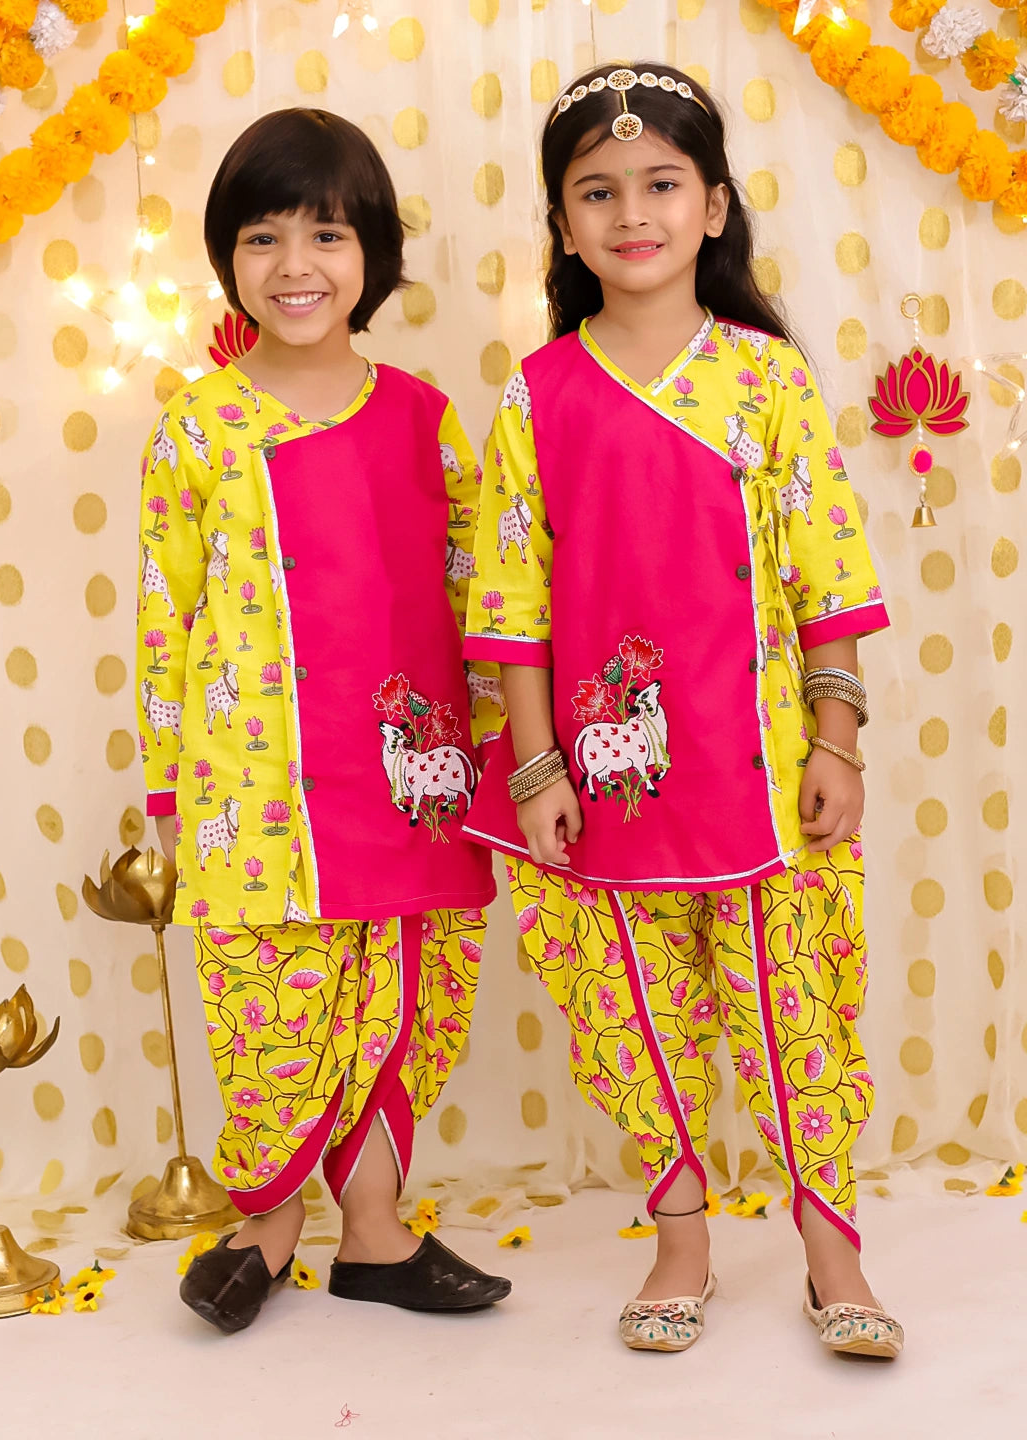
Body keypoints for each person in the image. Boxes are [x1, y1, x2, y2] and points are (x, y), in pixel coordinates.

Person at [462, 63, 902, 1359]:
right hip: (606, 784)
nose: (631, 212)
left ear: (713, 207)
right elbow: (513, 602)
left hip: (760, 773)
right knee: (633, 1013)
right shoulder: (538, 394)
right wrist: (537, 766)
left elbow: (826, 576)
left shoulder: (766, 381)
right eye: (596, 191)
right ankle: (681, 1238)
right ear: (562, 225)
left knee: (792, 1013)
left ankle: (832, 1251)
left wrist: (836, 740)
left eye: (660, 183)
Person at [135, 108, 510, 1333]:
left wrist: (500, 749)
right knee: (274, 1012)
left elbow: (479, 592)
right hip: (257, 791)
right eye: (263, 237)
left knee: (405, 1001)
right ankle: (268, 1221)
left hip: (411, 776)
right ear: (226, 257)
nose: (295, 265)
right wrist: (168, 788)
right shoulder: (197, 426)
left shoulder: (424, 417)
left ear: (374, 254)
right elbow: (163, 615)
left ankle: (376, 1233)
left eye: (327, 234)